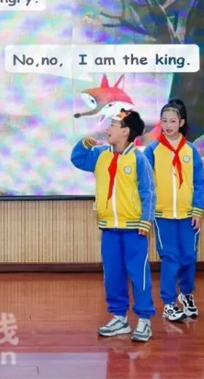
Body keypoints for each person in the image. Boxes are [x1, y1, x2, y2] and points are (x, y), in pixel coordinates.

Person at [71, 109, 156, 342]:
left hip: (134, 229)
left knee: (138, 275)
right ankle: (120, 318)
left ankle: (144, 320)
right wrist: (84, 144)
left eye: (113, 125)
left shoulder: (139, 159)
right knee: (113, 275)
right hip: (109, 228)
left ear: (126, 131)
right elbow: (77, 159)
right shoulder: (100, 155)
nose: (108, 129)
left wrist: (146, 220)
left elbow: (149, 192)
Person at [143, 99, 204, 323]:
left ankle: (186, 294)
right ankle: (168, 303)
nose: (168, 125)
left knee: (189, 256)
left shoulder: (191, 150)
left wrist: (197, 210)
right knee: (170, 257)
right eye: (164, 121)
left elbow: (199, 183)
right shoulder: (152, 150)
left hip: (188, 215)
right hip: (163, 215)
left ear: (181, 123)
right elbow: (145, 183)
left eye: (172, 121)